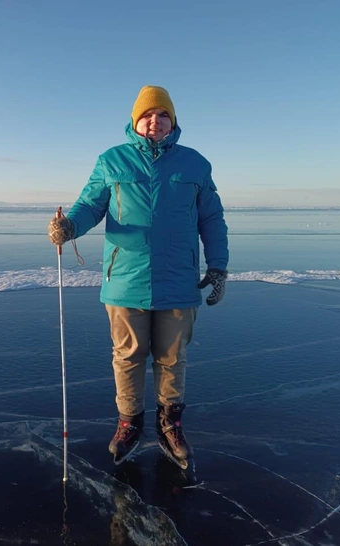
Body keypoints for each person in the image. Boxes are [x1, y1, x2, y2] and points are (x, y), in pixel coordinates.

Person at [48, 85, 229, 467]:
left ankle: (170, 424)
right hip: (125, 279)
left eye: (163, 115)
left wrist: (218, 265)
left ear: (172, 121)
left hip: (179, 278)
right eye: (148, 115)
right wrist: (69, 227)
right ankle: (129, 422)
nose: (155, 121)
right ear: (135, 120)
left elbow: (211, 218)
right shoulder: (112, 161)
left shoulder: (194, 163)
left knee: (172, 355)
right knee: (128, 355)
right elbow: (89, 207)